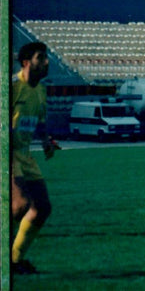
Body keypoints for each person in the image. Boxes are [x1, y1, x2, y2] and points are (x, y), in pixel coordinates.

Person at [11, 42, 59, 275]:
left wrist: (46, 141)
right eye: (41, 58)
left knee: (42, 207)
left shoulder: (40, 89)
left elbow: (40, 121)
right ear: (26, 62)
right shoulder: (12, 86)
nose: (46, 62)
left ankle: (15, 259)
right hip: (7, 153)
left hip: (25, 155)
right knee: (19, 206)